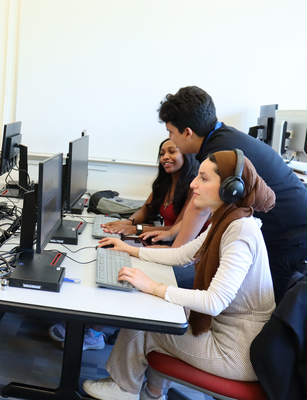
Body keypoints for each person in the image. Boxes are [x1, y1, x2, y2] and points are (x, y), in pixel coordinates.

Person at [83, 150, 276, 400]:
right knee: (162, 307)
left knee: (149, 320)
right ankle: (154, 392)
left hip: (236, 352)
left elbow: (215, 302)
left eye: (204, 179)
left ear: (232, 189)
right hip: (230, 337)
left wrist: (153, 287)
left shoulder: (239, 232)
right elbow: (182, 255)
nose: (194, 184)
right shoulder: (229, 220)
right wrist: (130, 250)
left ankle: (123, 389)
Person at [156, 85, 307, 304]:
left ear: (187, 132)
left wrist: (173, 256)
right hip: (285, 225)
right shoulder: (219, 137)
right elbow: (197, 204)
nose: (171, 138)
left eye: (171, 132)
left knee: (265, 305)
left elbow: (199, 208)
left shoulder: (220, 150)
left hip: (290, 235)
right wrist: (171, 234)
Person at [49, 139, 201, 350]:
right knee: (112, 254)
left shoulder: (194, 188)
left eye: (172, 151)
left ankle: (94, 333)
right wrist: (128, 223)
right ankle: (89, 318)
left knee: (123, 266)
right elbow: (147, 210)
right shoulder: (165, 182)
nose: (165, 157)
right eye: (162, 153)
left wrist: (135, 230)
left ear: (186, 155)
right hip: (161, 241)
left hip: (179, 251)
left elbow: (178, 231)